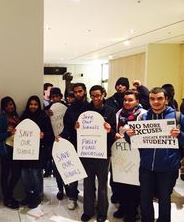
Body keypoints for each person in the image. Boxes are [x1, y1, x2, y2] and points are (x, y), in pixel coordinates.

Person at [125, 87, 184, 222]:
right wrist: (128, 136)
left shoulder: (177, 117)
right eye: (152, 99)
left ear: (166, 100)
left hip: (168, 168)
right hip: (146, 167)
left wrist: (179, 135)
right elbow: (135, 141)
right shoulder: (143, 117)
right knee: (145, 200)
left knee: (164, 200)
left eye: (159, 98)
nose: (156, 102)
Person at [79, 85, 115, 222]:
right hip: (87, 152)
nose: (95, 98)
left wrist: (109, 129)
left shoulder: (110, 111)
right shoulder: (85, 111)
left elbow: (113, 135)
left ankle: (102, 212)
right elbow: (80, 130)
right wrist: (78, 127)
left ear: (103, 95)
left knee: (102, 185)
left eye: (98, 95)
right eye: (93, 96)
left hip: (103, 154)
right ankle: (88, 211)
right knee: (87, 183)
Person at [114, 89, 147, 222]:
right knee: (120, 182)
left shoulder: (143, 114)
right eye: (125, 100)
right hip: (120, 152)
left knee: (133, 184)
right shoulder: (118, 113)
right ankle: (122, 206)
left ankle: (132, 212)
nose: (127, 102)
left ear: (137, 101)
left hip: (137, 153)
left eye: (130, 100)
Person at [58, 83, 89, 210]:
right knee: (74, 173)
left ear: (85, 91)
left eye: (80, 91)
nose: (78, 94)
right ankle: (72, 197)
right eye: (75, 92)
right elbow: (66, 128)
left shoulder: (91, 107)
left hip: (90, 146)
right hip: (74, 144)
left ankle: (90, 198)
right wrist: (61, 136)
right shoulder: (70, 109)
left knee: (89, 175)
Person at [20, 95, 47, 209]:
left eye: (35, 104)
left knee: (36, 174)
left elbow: (49, 132)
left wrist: (43, 135)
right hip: (24, 151)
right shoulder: (24, 116)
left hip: (38, 151)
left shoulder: (43, 116)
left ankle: (37, 196)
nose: (33, 106)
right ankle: (29, 195)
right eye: (31, 104)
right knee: (25, 174)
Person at [0, 96, 21, 209]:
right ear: (3, 107)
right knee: (5, 174)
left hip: (17, 150)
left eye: (11, 104)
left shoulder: (16, 117)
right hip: (6, 149)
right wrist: (8, 133)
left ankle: (9, 194)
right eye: (7, 105)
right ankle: (7, 198)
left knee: (16, 174)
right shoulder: (2, 117)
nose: (9, 106)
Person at [44, 87, 68, 199]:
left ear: (61, 97)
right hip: (53, 142)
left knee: (67, 165)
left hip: (66, 141)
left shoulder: (67, 108)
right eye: (52, 97)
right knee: (57, 167)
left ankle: (69, 188)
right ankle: (60, 189)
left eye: (57, 96)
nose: (55, 99)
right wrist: (46, 115)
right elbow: (45, 126)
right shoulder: (47, 109)